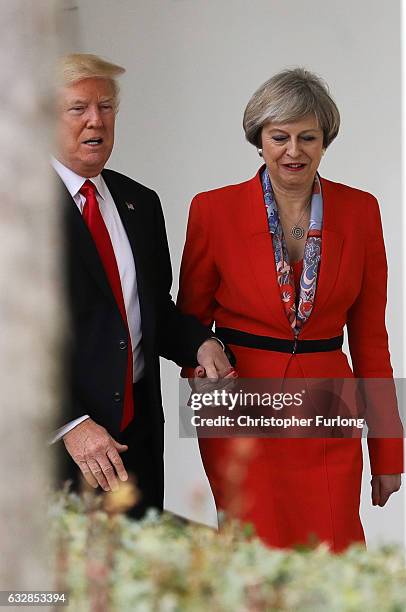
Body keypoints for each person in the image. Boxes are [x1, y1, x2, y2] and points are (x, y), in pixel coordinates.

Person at [178, 68, 403, 551]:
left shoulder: (361, 211)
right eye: (279, 137)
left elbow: (370, 340)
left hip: (328, 407)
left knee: (334, 551)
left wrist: (388, 450)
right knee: (252, 555)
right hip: (238, 407)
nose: (293, 151)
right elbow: (188, 324)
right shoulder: (212, 210)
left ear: (326, 141)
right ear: (259, 139)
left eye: (308, 137)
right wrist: (204, 374)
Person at [52, 53, 233, 517]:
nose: (97, 120)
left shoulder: (140, 202)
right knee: (63, 588)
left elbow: (154, 310)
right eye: (79, 108)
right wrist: (69, 423)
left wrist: (200, 344)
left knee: (138, 582)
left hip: (138, 443)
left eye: (107, 107)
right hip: (60, 450)